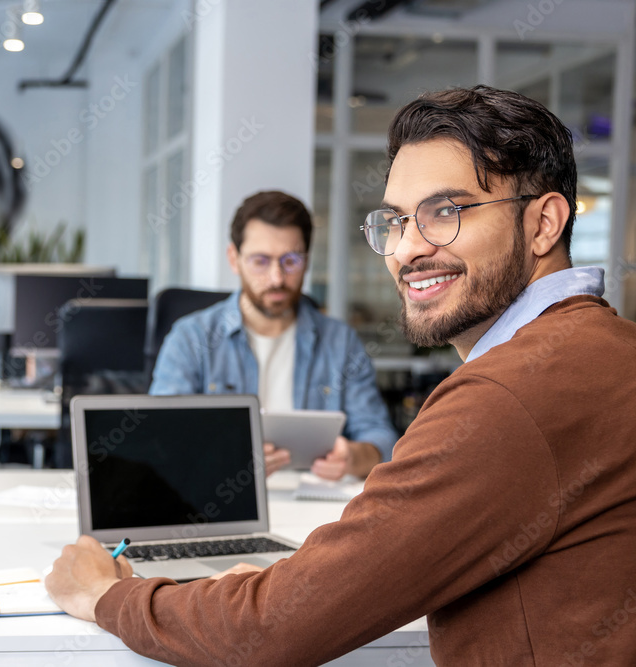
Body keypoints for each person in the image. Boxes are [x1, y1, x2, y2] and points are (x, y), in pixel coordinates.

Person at [45, 85, 636, 665]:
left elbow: (270, 632)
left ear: (543, 224)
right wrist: (296, 584)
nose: (406, 250)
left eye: (445, 213)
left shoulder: (507, 397)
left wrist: (106, 593)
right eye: (396, 221)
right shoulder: (609, 349)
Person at [149, 190, 397, 479]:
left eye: (291, 260)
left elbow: (382, 439)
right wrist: (224, 458)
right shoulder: (191, 339)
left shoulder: (340, 343)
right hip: (218, 497)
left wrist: (353, 458)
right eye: (260, 261)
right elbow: (160, 438)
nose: (277, 278)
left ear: (307, 259)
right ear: (234, 258)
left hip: (314, 503)